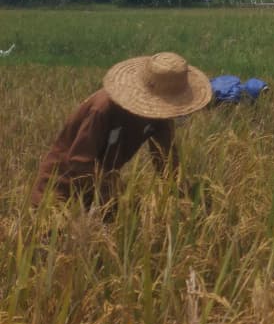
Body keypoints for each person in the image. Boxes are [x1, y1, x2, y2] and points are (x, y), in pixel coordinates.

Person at [32, 52, 212, 210]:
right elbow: (79, 163)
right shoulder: (103, 110)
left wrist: (185, 197)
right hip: (59, 190)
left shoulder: (161, 117)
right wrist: (119, 191)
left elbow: (166, 160)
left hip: (102, 191)